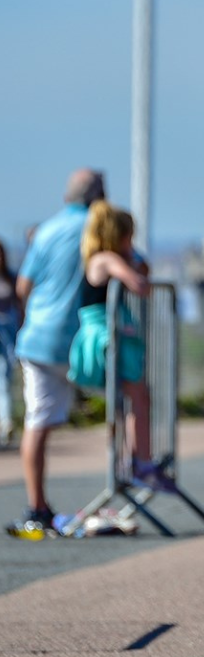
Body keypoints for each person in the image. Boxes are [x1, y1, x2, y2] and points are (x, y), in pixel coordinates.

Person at [6, 168, 105, 538]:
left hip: (40, 338)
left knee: (37, 421)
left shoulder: (46, 230)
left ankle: (38, 505)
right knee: (125, 399)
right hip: (85, 339)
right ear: (99, 196)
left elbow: (23, 286)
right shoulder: (99, 226)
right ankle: (127, 482)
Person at [66, 201, 171, 490]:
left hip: (108, 331)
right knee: (137, 397)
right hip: (106, 334)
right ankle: (139, 462)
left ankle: (133, 460)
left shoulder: (102, 259)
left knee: (132, 400)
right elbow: (139, 283)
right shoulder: (106, 259)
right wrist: (132, 264)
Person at [0, 240, 22, 447]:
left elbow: (21, 304)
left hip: (8, 334)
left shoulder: (11, 277)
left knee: (5, 378)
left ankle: (6, 422)